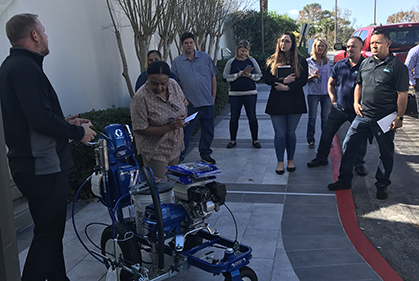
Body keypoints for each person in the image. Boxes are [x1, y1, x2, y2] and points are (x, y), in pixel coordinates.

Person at [0, 13, 96, 281]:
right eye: (43, 30)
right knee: (48, 234)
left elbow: (31, 118)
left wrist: (64, 122)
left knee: (51, 231)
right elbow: (39, 119)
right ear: (34, 35)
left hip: (37, 163)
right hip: (42, 165)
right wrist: (78, 132)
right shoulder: (24, 68)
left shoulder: (15, 65)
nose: (45, 35)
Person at [327, 30, 409, 200]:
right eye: (372, 43)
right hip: (363, 115)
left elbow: (402, 94)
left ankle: (382, 184)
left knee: (386, 153)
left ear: (388, 44)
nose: (374, 46)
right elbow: (359, 85)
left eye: (378, 43)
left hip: (385, 118)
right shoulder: (366, 63)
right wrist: (356, 102)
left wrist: (399, 117)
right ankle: (344, 180)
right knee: (348, 145)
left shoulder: (397, 66)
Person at [307, 36, 368, 177]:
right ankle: (321, 158)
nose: (350, 49)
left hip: (358, 110)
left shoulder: (367, 66)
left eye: (353, 46)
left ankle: (359, 164)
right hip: (339, 108)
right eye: (348, 46)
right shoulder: (340, 65)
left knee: (360, 138)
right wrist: (333, 100)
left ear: (361, 47)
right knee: (327, 133)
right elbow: (331, 84)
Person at [131, 61, 187, 180]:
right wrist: (169, 127)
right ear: (147, 78)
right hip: (155, 150)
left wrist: (183, 119)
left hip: (175, 145)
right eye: (154, 83)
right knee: (161, 187)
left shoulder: (174, 85)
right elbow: (140, 129)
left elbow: (183, 104)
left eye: (163, 84)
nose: (159, 88)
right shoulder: (140, 98)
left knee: (175, 183)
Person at [171, 32, 219, 165]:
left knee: (208, 130)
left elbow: (213, 77)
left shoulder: (205, 57)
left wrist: (213, 97)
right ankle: (179, 157)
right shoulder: (177, 62)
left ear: (194, 43)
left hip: (207, 102)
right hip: (190, 105)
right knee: (185, 131)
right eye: (186, 43)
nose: (189, 45)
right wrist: (182, 101)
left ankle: (205, 154)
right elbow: (174, 84)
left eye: (191, 42)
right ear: (182, 45)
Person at [264, 32, 308, 174]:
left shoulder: (301, 60)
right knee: (280, 133)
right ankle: (280, 162)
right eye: (282, 41)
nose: (284, 44)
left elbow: (303, 80)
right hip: (277, 101)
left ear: (292, 44)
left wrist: (288, 87)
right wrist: (283, 81)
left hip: (294, 101)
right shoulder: (272, 60)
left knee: (290, 133)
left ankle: (291, 160)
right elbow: (266, 79)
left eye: (287, 41)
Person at [222, 40, 262, 149]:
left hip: (250, 93)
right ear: (237, 50)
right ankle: (232, 140)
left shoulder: (252, 61)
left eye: (246, 51)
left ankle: (255, 139)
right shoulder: (231, 62)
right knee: (234, 117)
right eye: (241, 51)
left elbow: (259, 75)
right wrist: (237, 75)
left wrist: (251, 76)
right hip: (235, 94)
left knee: (252, 117)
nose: (243, 53)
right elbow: (225, 76)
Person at [306, 38, 331, 149]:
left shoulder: (328, 61)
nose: (320, 48)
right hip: (313, 93)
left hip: (326, 93)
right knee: (312, 118)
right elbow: (303, 79)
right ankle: (311, 140)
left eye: (322, 46)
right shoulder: (308, 62)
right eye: (318, 45)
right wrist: (312, 77)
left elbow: (331, 77)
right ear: (314, 47)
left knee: (325, 118)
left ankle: (325, 140)